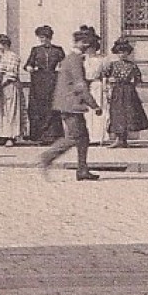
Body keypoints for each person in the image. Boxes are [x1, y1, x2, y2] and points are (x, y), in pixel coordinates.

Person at [40, 26, 102, 181]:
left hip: (69, 103)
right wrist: (94, 105)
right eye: (90, 46)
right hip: (71, 104)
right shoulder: (74, 60)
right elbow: (80, 85)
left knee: (84, 137)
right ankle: (47, 157)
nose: (91, 50)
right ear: (85, 44)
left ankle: (82, 170)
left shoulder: (71, 58)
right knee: (74, 136)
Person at [24, 25, 65, 145]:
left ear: (49, 37)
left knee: (52, 107)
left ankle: (52, 135)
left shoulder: (58, 50)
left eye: (44, 37)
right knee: (39, 108)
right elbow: (28, 64)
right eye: (40, 37)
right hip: (39, 81)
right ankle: (39, 136)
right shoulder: (35, 50)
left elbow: (64, 64)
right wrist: (30, 68)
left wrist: (61, 69)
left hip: (53, 80)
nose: (42, 40)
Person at [106, 35, 148, 147]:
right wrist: (109, 88)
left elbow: (139, 79)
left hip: (129, 91)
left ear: (128, 52)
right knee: (117, 114)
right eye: (120, 52)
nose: (122, 54)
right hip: (116, 91)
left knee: (128, 114)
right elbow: (106, 77)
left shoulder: (132, 66)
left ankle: (124, 140)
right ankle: (118, 139)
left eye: (124, 52)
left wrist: (131, 85)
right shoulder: (112, 65)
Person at [0, 34, 24, 146]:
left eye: (0, 43)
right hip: (1, 87)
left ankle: (11, 137)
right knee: (2, 111)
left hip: (10, 85)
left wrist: (2, 83)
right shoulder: (0, 57)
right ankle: (3, 135)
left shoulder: (12, 56)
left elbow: (12, 73)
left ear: (5, 44)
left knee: (11, 111)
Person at [83, 27, 108, 146]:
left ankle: (97, 137)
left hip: (97, 86)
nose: (89, 50)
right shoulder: (82, 59)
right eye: (88, 48)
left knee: (98, 110)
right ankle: (86, 137)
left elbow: (104, 75)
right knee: (87, 112)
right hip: (85, 86)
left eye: (92, 47)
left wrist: (105, 87)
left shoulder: (101, 59)